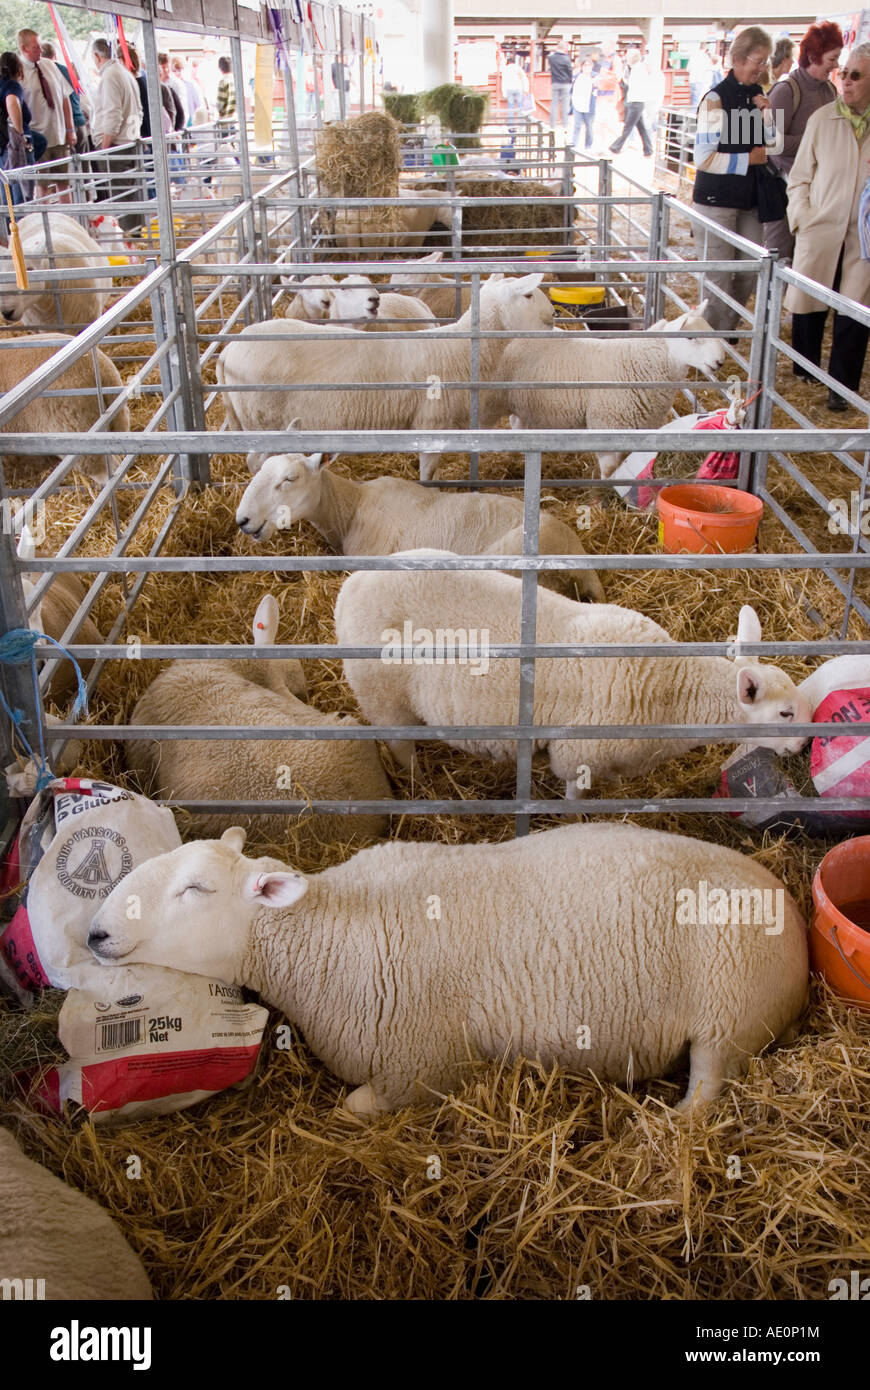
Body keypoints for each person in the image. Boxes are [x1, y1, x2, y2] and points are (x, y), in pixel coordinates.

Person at [786, 44, 870, 410]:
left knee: (855, 310)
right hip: (820, 227)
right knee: (808, 303)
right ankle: (804, 372)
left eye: (855, 75)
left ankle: (841, 388)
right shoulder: (822, 119)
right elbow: (799, 177)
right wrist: (801, 218)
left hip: (863, 238)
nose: (845, 81)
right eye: (844, 73)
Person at [691, 26, 778, 334]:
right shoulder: (715, 99)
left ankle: (726, 336)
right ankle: (708, 344)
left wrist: (767, 116)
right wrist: (746, 160)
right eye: (758, 60)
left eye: (766, 61)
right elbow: (702, 158)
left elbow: (772, 147)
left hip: (750, 201)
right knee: (718, 277)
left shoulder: (758, 97)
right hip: (715, 202)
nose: (763, 67)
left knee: (747, 273)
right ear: (739, 59)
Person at [764, 21, 843, 262]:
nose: (836, 65)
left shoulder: (829, 91)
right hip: (783, 185)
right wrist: (813, 141)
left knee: (809, 255)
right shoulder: (786, 91)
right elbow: (772, 143)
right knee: (779, 253)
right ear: (813, 56)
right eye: (832, 59)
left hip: (818, 187)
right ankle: (773, 300)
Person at [90, 37, 143, 231]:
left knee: (122, 196)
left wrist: (104, 146)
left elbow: (113, 114)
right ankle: (136, 238)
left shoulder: (111, 75)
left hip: (116, 146)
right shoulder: (124, 72)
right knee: (130, 193)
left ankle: (129, 240)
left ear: (96, 56)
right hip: (128, 141)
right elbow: (138, 110)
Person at [17, 27, 75, 200]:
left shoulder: (49, 65)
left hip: (58, 134)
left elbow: (65, 97)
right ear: (24, 48)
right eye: (36, 47)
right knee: (41, 185)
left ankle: (69, 221)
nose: (41, 50)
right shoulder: (18, 73)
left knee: (64, 183)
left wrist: (70, 129)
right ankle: (43, 223)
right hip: (37, 139)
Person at [0, 51, 35, 204]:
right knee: (21, 194)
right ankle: (22, 225)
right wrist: (19, 134)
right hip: (13, 145)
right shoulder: (12, 86)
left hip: (2, 146)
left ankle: (11, 226)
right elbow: (12, 102)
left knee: (7, 194)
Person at [41, 41, 88, 152]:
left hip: (66, 127)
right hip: (80, 122)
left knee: (69, 165)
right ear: (55, 55)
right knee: (85, 164)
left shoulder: (47, 73)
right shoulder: (68, 70)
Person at [609, 47, 654, 157]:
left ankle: (616, 146)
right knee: (641, 127)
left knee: (628, 126)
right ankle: (648, 149)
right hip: (634, 101)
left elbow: (631, 84)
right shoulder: (632, 69)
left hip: (636, 101)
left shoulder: (638, 70)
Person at [570, 58, 596, 151]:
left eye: (589, 65)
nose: (587, 68)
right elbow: (572, 90)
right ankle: (574, 144)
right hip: (578, 104)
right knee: (577, 125)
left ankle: (588, 146)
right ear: (582, 67)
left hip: (589, 105)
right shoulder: (577, 76)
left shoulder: (595, 77)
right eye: (585, 65)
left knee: (589, 127)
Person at [548, 39, 573, 134]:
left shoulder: (551, 58)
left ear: (557, 47)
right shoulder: (567, 59)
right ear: (565, 48)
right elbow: (570, 71)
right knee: (565, 105)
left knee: (554, 104)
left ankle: (552, 125)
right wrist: (570, 81)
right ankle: (565, 125)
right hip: (565, 83)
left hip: (555, 83)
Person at [502, 55, 528, 134]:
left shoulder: (505, 69)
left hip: (509, 89)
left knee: (511, 108)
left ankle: (511, 126)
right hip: (518, 88)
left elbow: (504, 81)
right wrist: (525, 89)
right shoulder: (518, 68)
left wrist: (504, 92)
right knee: (520, 107)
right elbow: (523, 78)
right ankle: (521, 125)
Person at [689, 43, 715, 110]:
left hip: (692, 79)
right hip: (700, 79)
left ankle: (692, 113)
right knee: (697, 100)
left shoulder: (693, 56)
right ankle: (695, 115)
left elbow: (688, 69)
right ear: (705, 48)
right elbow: (709, 68)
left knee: (693, 100)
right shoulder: (705, 57)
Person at [216, 55, 236, 125]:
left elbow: (220, 104)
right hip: (233, 119)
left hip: (224, 121)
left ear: (220, 68)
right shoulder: (234, 80)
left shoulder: (223, 82)